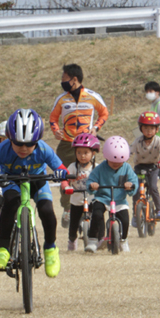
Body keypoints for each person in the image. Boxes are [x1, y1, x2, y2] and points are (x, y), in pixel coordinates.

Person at [0, 109, 70, 278]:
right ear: (10, 138)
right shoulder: (1, 149)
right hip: (12, 182)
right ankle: (3, 250)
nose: (24, 148)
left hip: (38, 182)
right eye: (18, 143)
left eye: (29, 144)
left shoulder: (43, 149)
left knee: (46, 210)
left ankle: (50, 249)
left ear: (37, 141)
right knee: (10, 205)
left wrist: (63, 176)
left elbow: (61, 168)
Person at [49, 64, 109, 227]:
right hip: (66, 144)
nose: (62, 82)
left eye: (64, 79)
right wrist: (56, 131)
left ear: (74, 80)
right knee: (65, 177)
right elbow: (53, 119)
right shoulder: (61, 99)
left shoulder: (92, 96)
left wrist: (96, 128)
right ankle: (67, 209)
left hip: (85, 144)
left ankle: (89, 206)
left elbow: (104, 112)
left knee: (88, 176)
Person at [86, 136, 138, 253]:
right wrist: (92, 185)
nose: (116, 164)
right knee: (97, 213)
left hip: (119, 200)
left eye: (119, 162)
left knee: (125, 219)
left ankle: (123, 240)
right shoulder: (100, 169)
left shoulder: (127, 168)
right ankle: (93, 240)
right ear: (106, 156)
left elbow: (134, 182)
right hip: (102, 198)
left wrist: (131, 185)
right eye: (113, 161)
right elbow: (91, 180)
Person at [130, 112, 160, 223]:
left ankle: (159, 210)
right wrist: (122, 158)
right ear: (141, 129)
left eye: (152, 128)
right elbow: (129, 151)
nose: (148, 131)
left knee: (153, 187)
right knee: (136, 189)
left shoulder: (158, 141)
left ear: (157, 130)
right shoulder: (137, 141)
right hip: (139, 167)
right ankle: (135, 215)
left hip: (153, 167)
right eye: (145, 128)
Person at [65, 133, 100, 252]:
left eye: (86, 152)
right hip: (76, 201)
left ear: (93, 153)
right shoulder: (72, 167)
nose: (82, 156)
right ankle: (71, 243)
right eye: (79, 152)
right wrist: (66, 187)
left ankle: (100, 240)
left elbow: (104, 180)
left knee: (98, 218)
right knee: (73, 225)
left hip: (92, 200)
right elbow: (65, 179)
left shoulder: (97, 168)